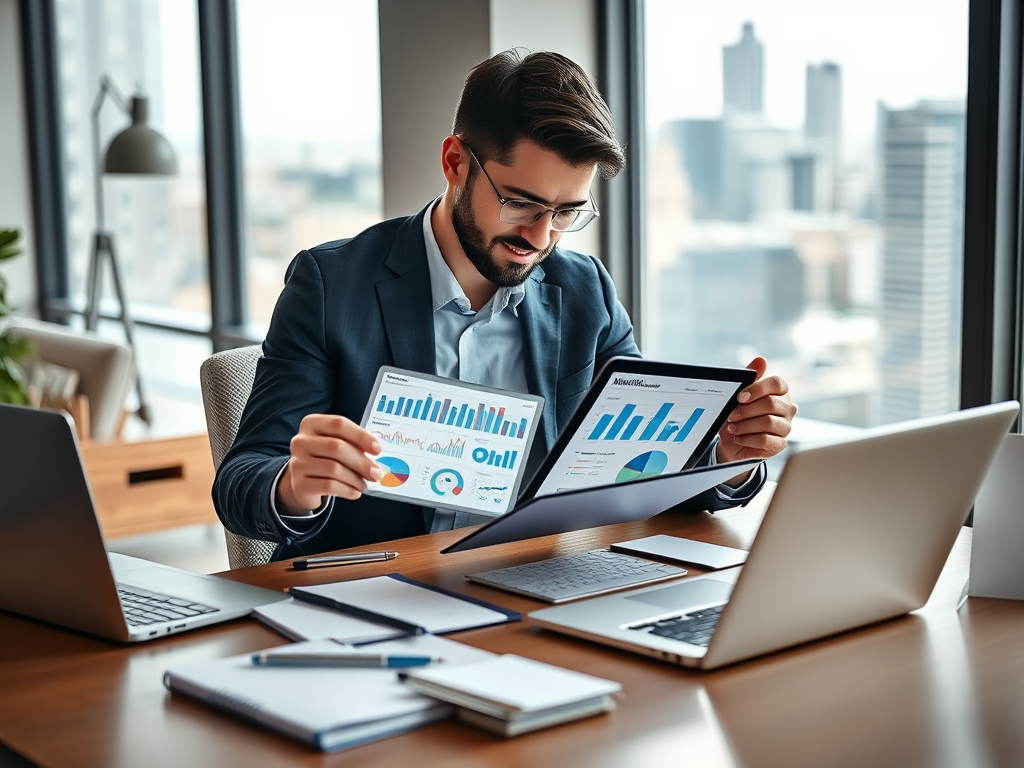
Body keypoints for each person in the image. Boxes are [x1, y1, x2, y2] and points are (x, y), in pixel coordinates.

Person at [214, 49, 797, 560]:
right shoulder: (330, 284)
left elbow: (644, 469)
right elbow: (240, 482)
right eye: (521, 203)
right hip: (388, 590)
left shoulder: (584, 290)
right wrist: (294, 483)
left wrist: (728, 455)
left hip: (547, 576)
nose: (542, 237)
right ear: (455, 163)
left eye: (566, 212)